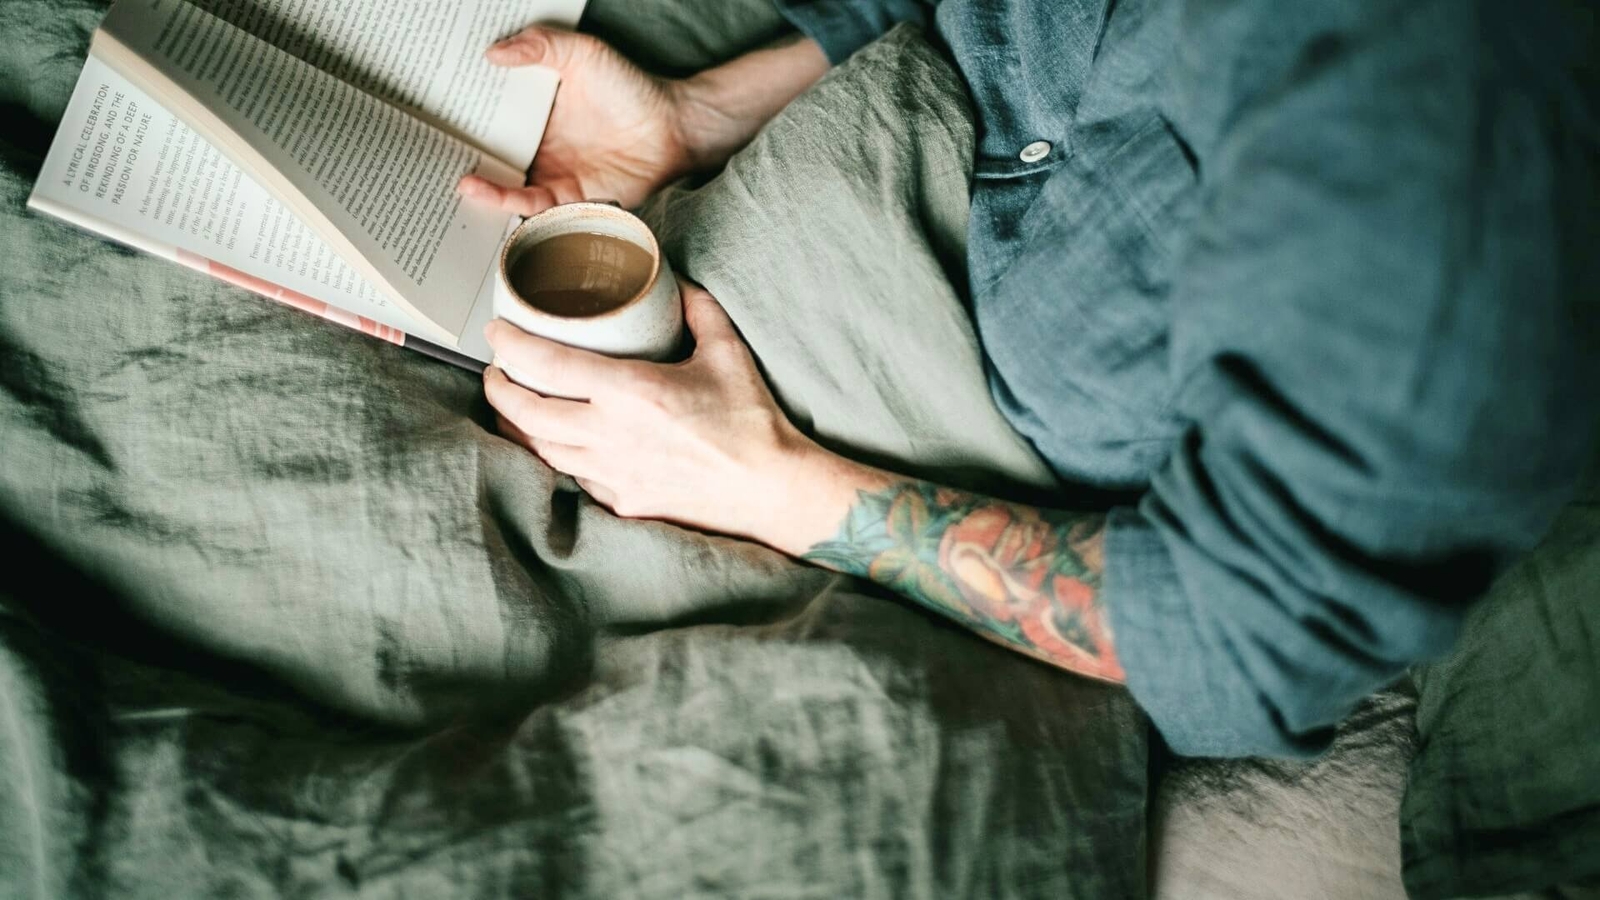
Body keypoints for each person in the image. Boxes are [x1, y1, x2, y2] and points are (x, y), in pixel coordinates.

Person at [458, 1, 1600, 756]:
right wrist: (700, 111)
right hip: (912, 94)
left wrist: (771, 488)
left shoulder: (1449, 156)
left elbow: (1235, 641)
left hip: (958, 441)